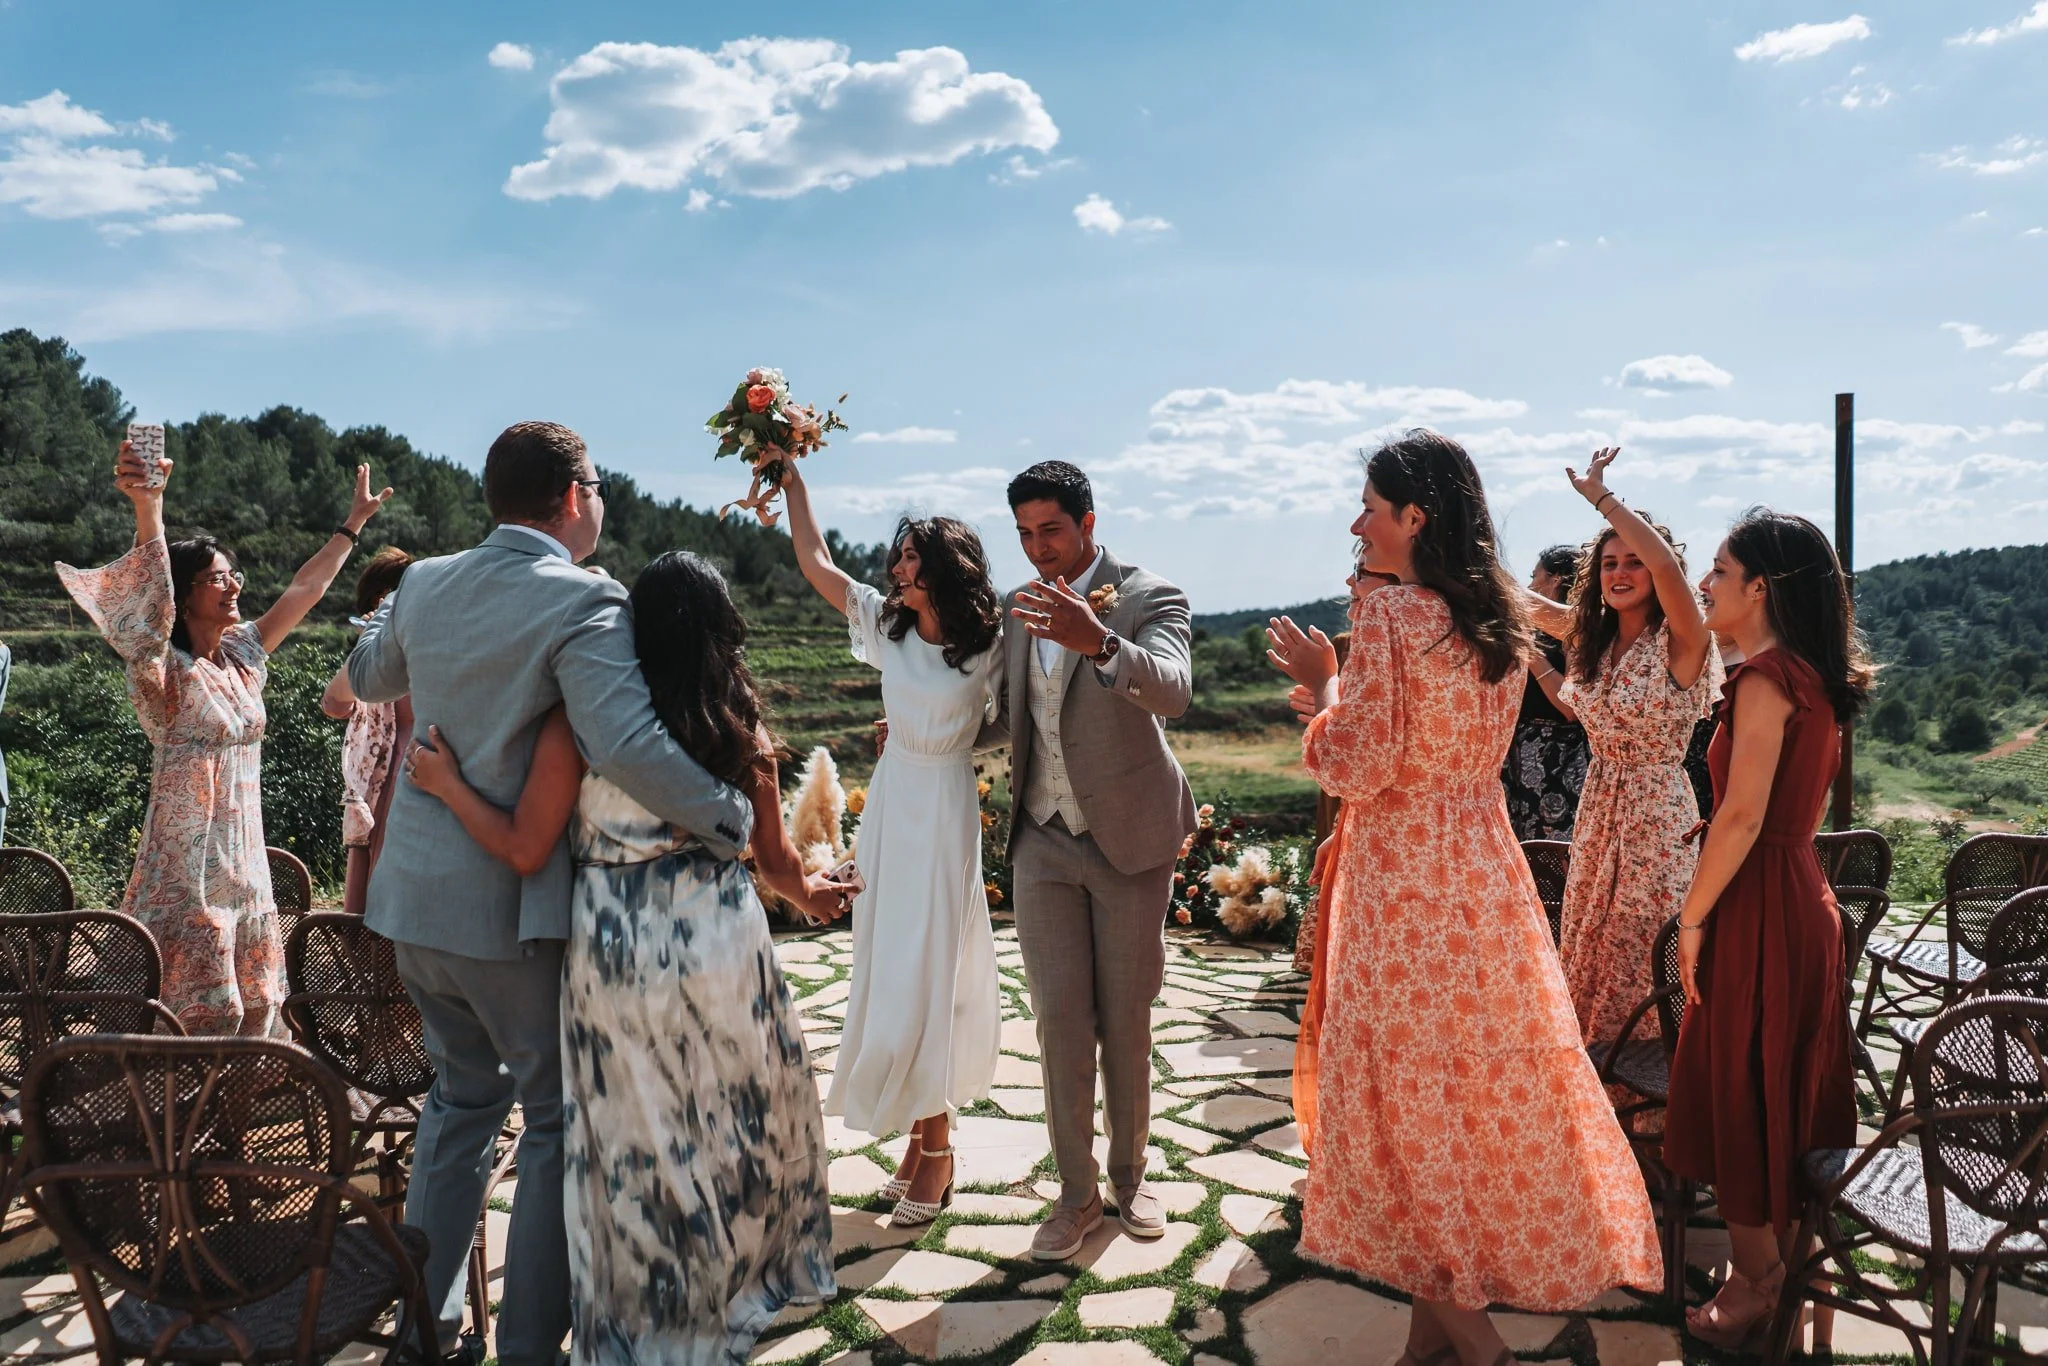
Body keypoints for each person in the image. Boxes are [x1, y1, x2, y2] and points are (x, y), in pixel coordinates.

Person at [346, 421, 758, 1366]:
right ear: (574, 496)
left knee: (458, 1103)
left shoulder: (425, 582)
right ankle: (531, 1344)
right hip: (507, 914)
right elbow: (627, 745)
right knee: (553, 1119)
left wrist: (408, 615)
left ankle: (425, 1331)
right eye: (599, 488)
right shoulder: (584, 600)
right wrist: (730, 816)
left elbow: (367, 674)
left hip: (414, 904)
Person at [1267, 430, 1660, 1365]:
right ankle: (1427, 1345)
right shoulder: (1493, 613)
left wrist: (1324, 690)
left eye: (1370, 507)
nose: (1356, 524)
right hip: (1482, 872)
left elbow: (1359, 763)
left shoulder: (1395, 616)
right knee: (1450, 1098)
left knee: (1406, 1109)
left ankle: (1482, 1352)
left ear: (1416, 517)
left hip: (1403, 883)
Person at [404, 550, 845, 1364]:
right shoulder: (739, 728)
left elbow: (525, 845)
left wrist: (449, 786)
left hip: (619, 950)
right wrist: (813, 897)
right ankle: (729, 1281)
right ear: (721, 629)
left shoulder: (578, 724)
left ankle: (650, 1307)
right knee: (723, 1119)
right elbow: (777, 861)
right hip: (723, 944)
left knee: (637, 1135)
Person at [56, 441, 391, 1036]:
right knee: (192, 1010)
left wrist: (352, 526)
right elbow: (149, 603)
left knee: (253, 1005)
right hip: (187, 869)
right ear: (184, 596)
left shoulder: (241, 655)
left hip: (244, 860)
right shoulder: (163, 670)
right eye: (217, 578)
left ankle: (233, 1094)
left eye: (234, 573)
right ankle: (169, 1094)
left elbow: (304, 591)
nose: (233, 584)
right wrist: (149, 507)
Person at [778, 459, 1003, 1227]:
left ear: (943, 566)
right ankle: (919, 1146)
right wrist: (794, 483)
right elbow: (816, 561)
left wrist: (962, 737)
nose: (897, 567)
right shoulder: (888, 627)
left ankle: (936, 1153)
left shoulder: (988, 644)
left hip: (944, 811)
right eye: (898, 556)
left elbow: (1018, 717)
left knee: (929, 974)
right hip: (894, 801)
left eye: (910, 557)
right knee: (893, 972)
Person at [1665, 510, 1868, 1349]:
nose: (1705, 583)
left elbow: (1742, 816)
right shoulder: (1811, 676)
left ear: (1760, 588)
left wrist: (1692, 917)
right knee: (1777, 1078)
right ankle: (1784, 1265)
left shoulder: (1764, 679)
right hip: (1800, 896)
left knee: (1737, 1081)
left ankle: (1757, 1283)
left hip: (1759, 902)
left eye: (1719, 569)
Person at [983, 459, 1196, 1259]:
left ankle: (1131, 1178)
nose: (1039, 548)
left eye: (1052, 530)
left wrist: (1100, 642)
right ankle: (1076, 1196)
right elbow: (1011, 715)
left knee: (1126, 1019)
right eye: (1025, 534)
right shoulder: (1017, 607)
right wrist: (924, 735)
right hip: (1042, 837)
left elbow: (1173, 690)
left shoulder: (1148, 595)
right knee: (1059, 1024)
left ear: (1088, 524)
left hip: (1130, 837)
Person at [1523, 450, 1721, 1050]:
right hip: (1599, 805)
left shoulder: (1683, 638)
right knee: (1590, 940)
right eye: (1609, 563)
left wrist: (1602, 500)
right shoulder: (1594, 641)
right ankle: (1596, 1078)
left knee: (1640, 947)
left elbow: (1663, 564)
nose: (1621, 572)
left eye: (1633, 561)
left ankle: (1652, 1084)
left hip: (1657, 811)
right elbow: (1529, 607)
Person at [1289, 552, 1396, 1153]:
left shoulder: (1391, 638)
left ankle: (1369, 1151)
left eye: (1363, 575)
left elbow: (1350, 760)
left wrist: (1326, 689)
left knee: (1373, 1015)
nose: (1350, 583)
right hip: (1379, 831)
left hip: (1397, 858)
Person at [320, 547, 414, 916]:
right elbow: (334, 704)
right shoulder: (371, 659)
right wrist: (370, 645)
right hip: (384, 777)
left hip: (421, 770)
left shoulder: (434, 646)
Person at [1500, 544, 1589, 842]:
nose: (1530, 586)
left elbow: (1571, 708)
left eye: (1534, 576)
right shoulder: (1530, 630)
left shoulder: (1579, 632)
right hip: (1519, 752)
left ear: (1556, 580)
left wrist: (1532, 655)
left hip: (1559, 757)